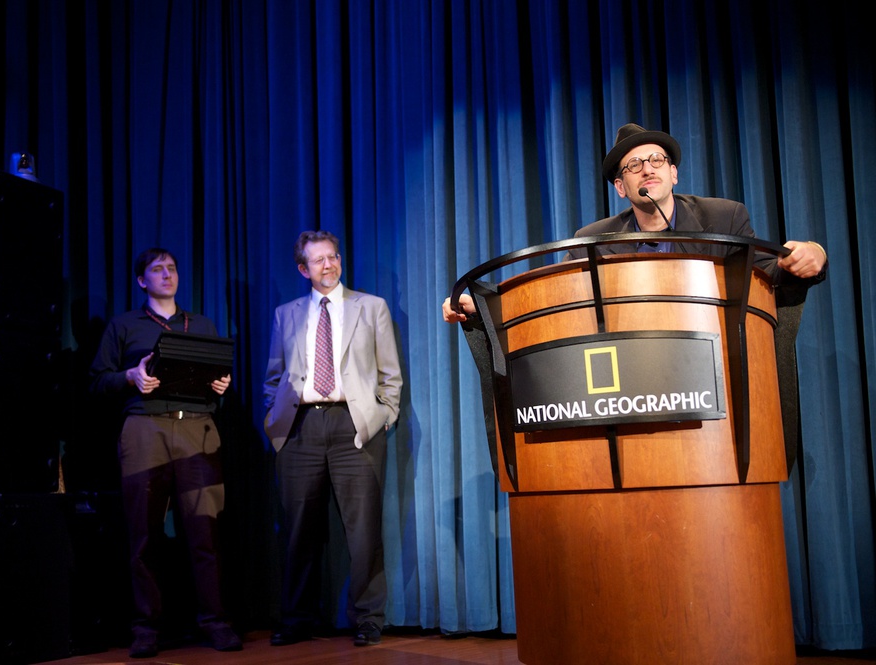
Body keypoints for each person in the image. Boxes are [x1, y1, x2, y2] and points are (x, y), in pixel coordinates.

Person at [443, 122, 827, 323]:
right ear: (620, 187)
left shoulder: (723, 217)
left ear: (673, 173)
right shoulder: (593, 240)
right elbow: (557, 298)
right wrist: (484, 307)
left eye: (657, 160)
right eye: (634, 166)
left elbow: (765, 276)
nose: (647, 169)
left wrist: (810, 257)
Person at [89, 247, 242, 659]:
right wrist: (130, 376)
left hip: (197, 427)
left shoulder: (201, 324)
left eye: (172, 268)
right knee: (144, 534)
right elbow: (97, 381)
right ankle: (146, 628)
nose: (167, 274)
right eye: (157, 270)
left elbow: (217, 375)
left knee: (205, 531)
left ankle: (215, 622)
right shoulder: (124, 325)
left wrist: (221, 386)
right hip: (145, 427)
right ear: (142, 280)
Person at [263, 230, 403, 648]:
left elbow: (390, 375)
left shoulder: (371, 307)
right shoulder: (285, 314)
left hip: (353, 426)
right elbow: (274, 377)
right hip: (300, 428)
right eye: (319, 260)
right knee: (298, 530)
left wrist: (384, 415)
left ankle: (367, 619)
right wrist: (274, 419)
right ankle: (297, 619)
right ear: (302, 269)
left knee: (363, 531)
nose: (329, 265)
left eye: (333, 256)